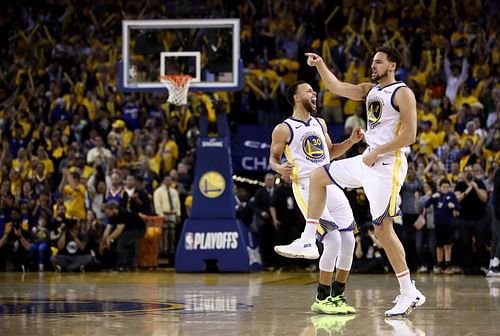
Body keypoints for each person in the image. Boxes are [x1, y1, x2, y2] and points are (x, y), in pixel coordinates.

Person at [278, 47, 425, 317]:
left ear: (392, 66)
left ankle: (408, 291)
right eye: (372, 61)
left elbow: (410, 136)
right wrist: (320, 64)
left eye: (379, 62)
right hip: (368, 159)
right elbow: (336, 86)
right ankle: (308, 239)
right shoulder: (369, 90)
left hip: (386, 165)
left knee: (383, 231)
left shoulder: (402, 92)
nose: (373, 65)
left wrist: (377, 152)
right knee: (319, 175)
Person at [271, 81, 363, 314]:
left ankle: (337, 297)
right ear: (295, 97)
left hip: (329, 182)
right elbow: (273, 159)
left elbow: (330, 152)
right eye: (309, 91)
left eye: (314, 91)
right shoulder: (284, 128)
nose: (315, 93)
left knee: (349, 241)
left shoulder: (320, 123)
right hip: (306, 186)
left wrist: (351, 142)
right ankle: (321, 298)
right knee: (332, 239)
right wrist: (279, 168)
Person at [425, 179, 461, 274]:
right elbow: (426, 205)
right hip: (438, 224)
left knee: (447, 245)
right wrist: (432, 197)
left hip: (448, 224)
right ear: (440, 187)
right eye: (443, 187)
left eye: (447, 187)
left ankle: (448, 266)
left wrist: (454, 206)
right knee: (439, 245)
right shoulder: (436, 196)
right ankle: (439, 266)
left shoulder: (452, 195)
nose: (445, 188)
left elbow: (459, 207)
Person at [101, 201, 146, 271]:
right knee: (124, 241)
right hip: (128, 230)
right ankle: (130, 265)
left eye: (107, 212)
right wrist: (102, 244)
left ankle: (122, 265)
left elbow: (119, 229)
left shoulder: (122, 213)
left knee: (121, 241)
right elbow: (107, 230)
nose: (106, 214)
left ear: (113, 209)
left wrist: (109, 238)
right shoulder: (112, 215)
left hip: (138, 229)